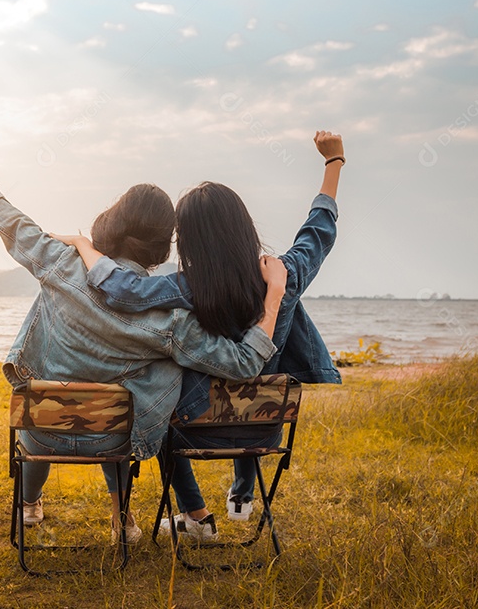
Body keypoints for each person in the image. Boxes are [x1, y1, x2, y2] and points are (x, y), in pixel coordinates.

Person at [0, 131, 288, 543]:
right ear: (161, 247)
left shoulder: (61, 261)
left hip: (43, 425)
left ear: (114, 219)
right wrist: (274, 297)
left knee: (48, 407)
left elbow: (7, 218)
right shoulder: (171, 317)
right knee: (129, 387)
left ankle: (28, 504)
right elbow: (243, 363)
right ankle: (123, 517)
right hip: (114, 437)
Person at [56, 131, 345, 542]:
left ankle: (195, 516)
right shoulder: (284, 272)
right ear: (244, 227)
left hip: (193, 426)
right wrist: (334, 162)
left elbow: (120, 289)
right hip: (266, 424)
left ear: (187, 240)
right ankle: (240, 494)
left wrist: (85, 245)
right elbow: (318, 232)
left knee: (163, 386)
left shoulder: (186, 286)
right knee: (266, 353)